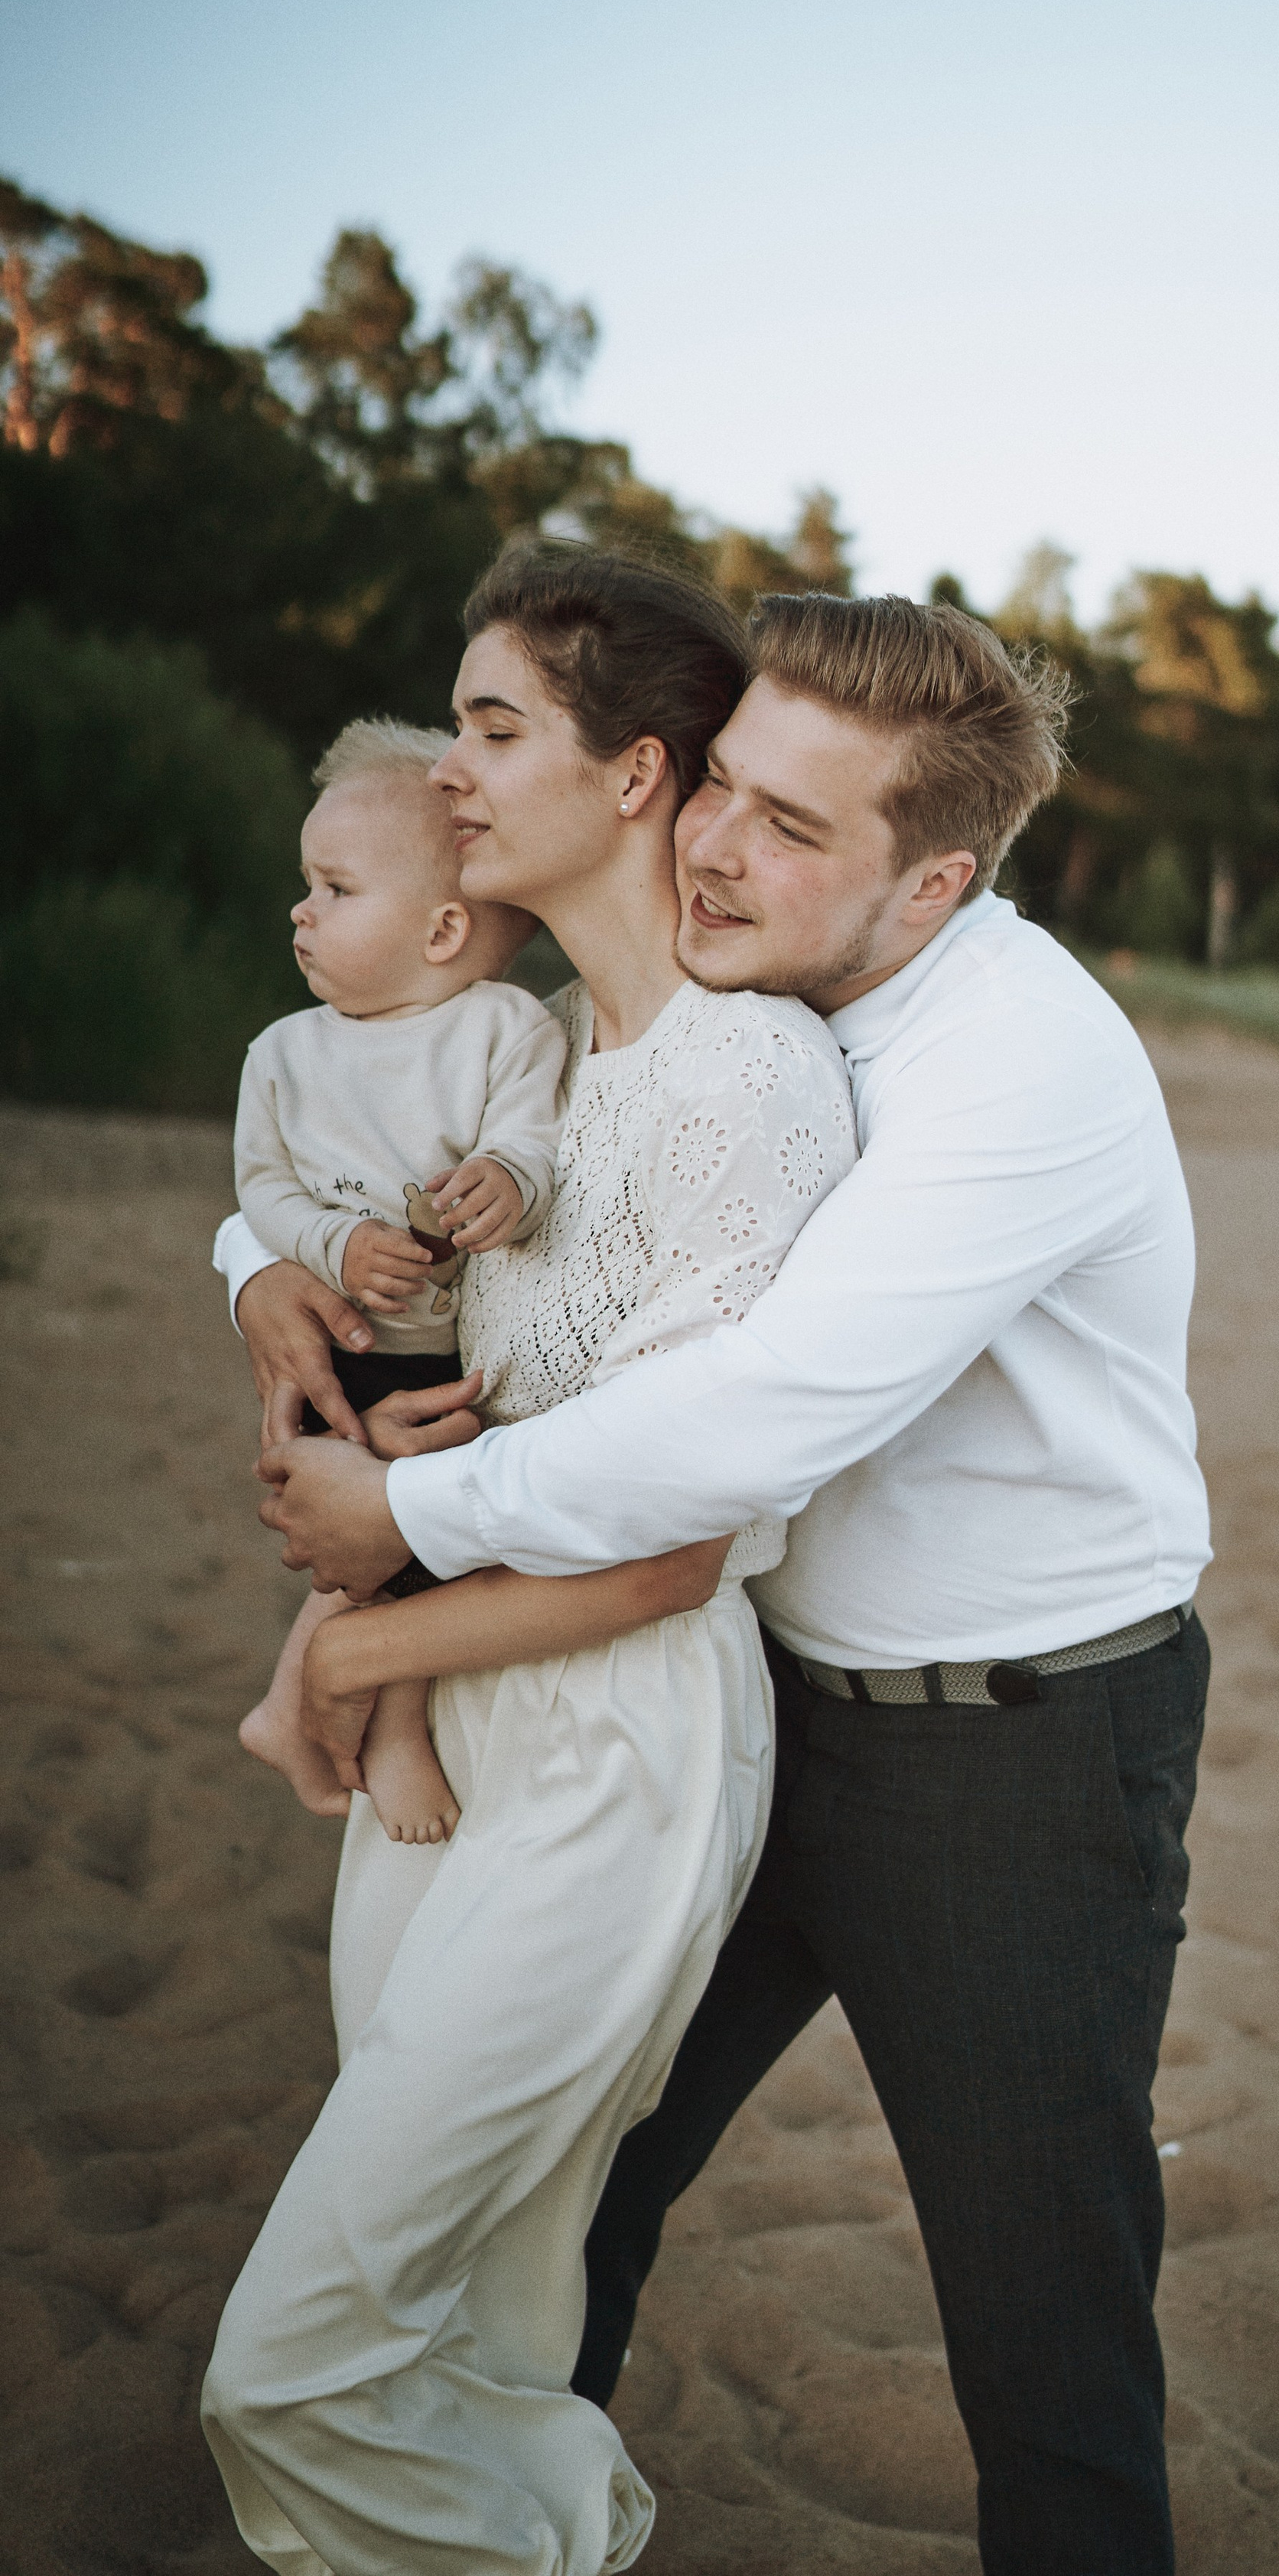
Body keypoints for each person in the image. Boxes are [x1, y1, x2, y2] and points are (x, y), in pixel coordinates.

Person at [249, 589, 1212, 2576]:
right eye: (727, 788)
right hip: (746, 1692)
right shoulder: (698, 1002)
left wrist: (403, 1551)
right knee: (568, 2206)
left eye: (796, 827)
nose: (718, 845)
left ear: (935, 877)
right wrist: (252, 1279)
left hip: (1008, 1750)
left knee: (1045, 2339)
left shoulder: (1017, 1058)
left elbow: (761, 1415)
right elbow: (395, 1130)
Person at [202, 544, 857, 2576]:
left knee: (288, 2365)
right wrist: (293, 1330)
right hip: (449, 1712)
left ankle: (576, 2537)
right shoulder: (554, 1050)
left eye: (495, 730)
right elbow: (432, 1333)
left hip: (610, 1752)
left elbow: (675, 1550)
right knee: (474, 2310)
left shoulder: (749, 1080)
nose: (453, 774)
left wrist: (352, 1645)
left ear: (639, 773)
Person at [234, 713, 565, 1843]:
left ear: (440, 930)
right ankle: (391, 1728)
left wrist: (503, 1186)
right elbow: (262, 1193)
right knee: (384, 1527)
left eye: (335, 890)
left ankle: (308, 1705)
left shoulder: (505, 1029)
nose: (303, 911)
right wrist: (323, 1251)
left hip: (441, 1350)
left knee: (426, 1523)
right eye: (306, 885)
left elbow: (527, 1144)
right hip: (340, 1351)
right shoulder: (283, 1053)